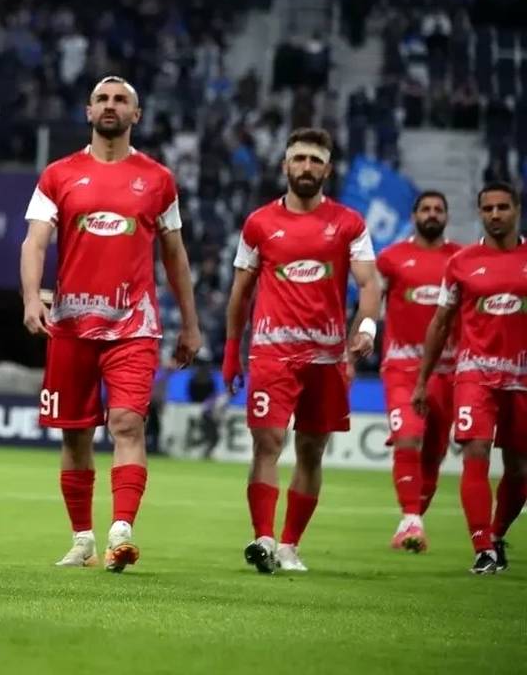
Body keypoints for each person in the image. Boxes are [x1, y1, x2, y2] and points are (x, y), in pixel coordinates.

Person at [20, 76, 201, 571]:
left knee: (126, 422)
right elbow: (35, 241)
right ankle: (83, 540)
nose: (110, 105)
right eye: (102, 98)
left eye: (121, 100)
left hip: (133, 325)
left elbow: (175, 255)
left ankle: (122, 529)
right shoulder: (58, 175)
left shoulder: (158, 180)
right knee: (75, 435)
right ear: (88, 111)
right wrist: (32, 297)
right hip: (71, 325)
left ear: (135, 115)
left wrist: (190, 323)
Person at [224, 128, 380, 574]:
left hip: (326, 358)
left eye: (315, 160)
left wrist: (366, 327)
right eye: (299, 159)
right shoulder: (259, 223)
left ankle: (290, 545)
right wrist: (232, 350)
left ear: (327, 170)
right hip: (271, 354)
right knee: (267, 443)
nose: (306, 167)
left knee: (311, 450)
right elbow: (241, 293)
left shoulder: (349, 223)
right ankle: (263, 539)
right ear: (285, 166)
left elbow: (369, 283)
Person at [414, 182, 527, 574]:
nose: (495, 215)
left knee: (520, 470)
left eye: (502, 207)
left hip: (522, 378)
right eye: (487, 208)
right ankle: (482, 547)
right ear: (480, 213)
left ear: (517, 209)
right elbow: (440, 323)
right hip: (475, 373)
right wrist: (422, 379)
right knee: (475, 451)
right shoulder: (461, 262)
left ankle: (496, 535)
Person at [374, 191, 461, 552]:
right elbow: (371, 302)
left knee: (434, 452)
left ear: (447, 216)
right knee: (408, 437)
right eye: (425, 209)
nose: (432, 214)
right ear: (413, 216)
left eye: (438, 209)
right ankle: (412, 518)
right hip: (402, 366)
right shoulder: (391, 258)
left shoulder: (461, 259)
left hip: (448, 370)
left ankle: (410, 525)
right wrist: (360, 337)